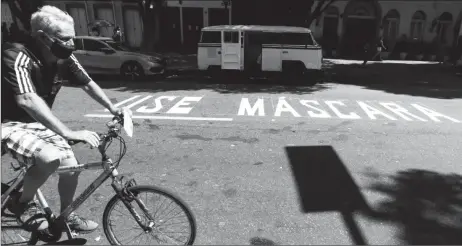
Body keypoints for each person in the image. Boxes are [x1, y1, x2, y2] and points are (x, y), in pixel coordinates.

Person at [2, 5, 125, 232]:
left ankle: (67, 214)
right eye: (65, 39)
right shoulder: (16, 54)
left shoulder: (63, 57)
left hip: (35, 123)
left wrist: (113, 108)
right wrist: (68, 132)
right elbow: (27, 99)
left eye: (72, 38)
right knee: (49, 158)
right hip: (7, 124)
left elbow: (87, 82)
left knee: (72, 166)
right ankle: (21, 204)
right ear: (42, 37)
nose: (71, 44)